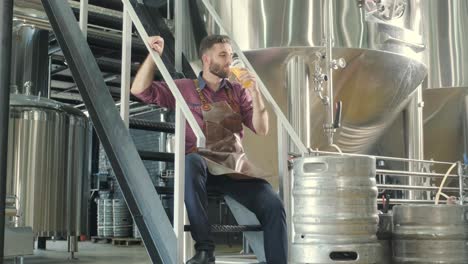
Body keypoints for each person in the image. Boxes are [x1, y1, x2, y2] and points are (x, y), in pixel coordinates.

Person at [131, 34, 287, 264]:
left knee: (274, 205)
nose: (229, 61)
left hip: (233, 168)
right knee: (191, 161)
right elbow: (140, 91)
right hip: (200, 168)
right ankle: (205, 250)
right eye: (223, 55)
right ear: (206, 59)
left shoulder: (238, 91)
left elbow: (262, 129)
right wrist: (153, 56)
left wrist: (256, 92)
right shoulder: (184, 88)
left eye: (231, 55)